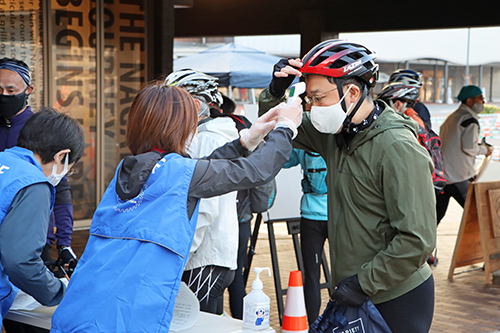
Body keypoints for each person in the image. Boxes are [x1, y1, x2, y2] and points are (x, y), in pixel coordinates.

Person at [50, 80, 302, 333]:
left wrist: (246, 140)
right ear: (178, 127)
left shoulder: (126, 169)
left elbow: (196, 171)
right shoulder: (179, 173)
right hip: (128, 317)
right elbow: (256, 171)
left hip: (81, 306)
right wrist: (286, 128)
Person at [259, 39, 436, 333]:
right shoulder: (337, 133)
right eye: (309, 99)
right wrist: (276, 92)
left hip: (396, 296)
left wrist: (362, 283)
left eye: (318, 98)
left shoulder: (396, 146)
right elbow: (281, 124)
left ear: (352, 92)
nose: (312, 107)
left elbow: (417, 239)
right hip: (357, 289)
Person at [165, 69, 240, 315]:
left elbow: (204, 207)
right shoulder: (216, 137)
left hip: (204, 259)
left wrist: (181, 255)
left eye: (173, 104)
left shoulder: (207, 141)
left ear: (195, 105)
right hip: (213, 257)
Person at [0, 108, 84, 325]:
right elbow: (20, 261)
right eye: (69, 169)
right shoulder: (33, 183)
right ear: (61, 156)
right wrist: (58, 290)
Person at [0, 57, 77, 275]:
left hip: (34, 235)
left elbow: (60, 188)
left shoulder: (42, 129)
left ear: (28, 89)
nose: (4, 96)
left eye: (10, 90)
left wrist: (64, 243)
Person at [377, 75, 446, 194]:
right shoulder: (413, 118)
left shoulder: (407, 124)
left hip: (413, 184)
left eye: (386, 105)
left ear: (398, 104)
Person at [436, 85, 494, 224]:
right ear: (469, 101)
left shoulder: (453, 117)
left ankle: (423, 244)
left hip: (444, 175)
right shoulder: (469, 120)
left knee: (436, 216)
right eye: (480, 98)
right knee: (479, 214)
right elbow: (469, 147)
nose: (483, 102)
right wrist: (485, 150)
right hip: (458, 177)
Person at [283, 148, 328, 325]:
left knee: (311, 277)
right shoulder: (337, 141)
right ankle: (345, 321)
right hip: (336, 216)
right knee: (344, 273)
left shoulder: (304, 146)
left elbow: (284, 161)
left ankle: (312, 325)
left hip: (310, 216)